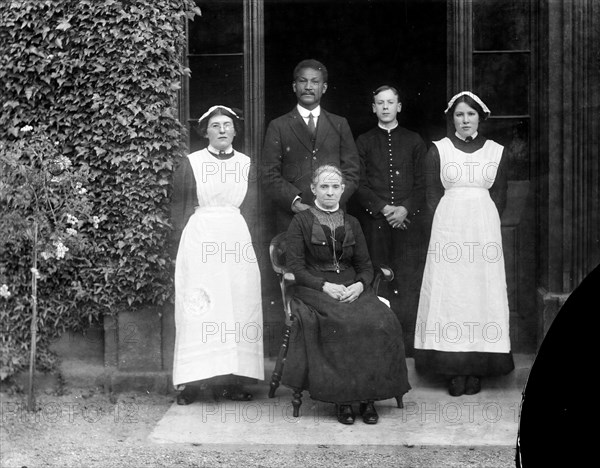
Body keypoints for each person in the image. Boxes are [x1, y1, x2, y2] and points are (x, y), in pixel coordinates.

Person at [281, 164, 410, 425]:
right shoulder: (301, 221)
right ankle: (343, 401)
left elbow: (364, 264)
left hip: (351, 285)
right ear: (313, 189)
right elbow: (295, 266)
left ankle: (368, 399)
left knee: (379, 320)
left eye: (335, 187)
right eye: (324, 187)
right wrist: (323, 286)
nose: (329, 192)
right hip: (315, 287)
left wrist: (360, 285)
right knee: (341, 323)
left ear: (342, 190)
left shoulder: (352, 222)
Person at [414, 91, 514, 396]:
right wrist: (449, 226)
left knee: (480, 293)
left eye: (470, 114)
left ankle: (478, 369)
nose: (465, 120)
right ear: (452, 118)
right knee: (451, 294)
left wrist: (480, 220)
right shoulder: (439, 150)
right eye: (459, 115)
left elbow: (500, 196)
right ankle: (453, 370)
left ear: (480, 118)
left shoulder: (496, 152)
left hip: (483, 230)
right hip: (450, 230)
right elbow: (432, 195)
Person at [170, 105, 264, 404]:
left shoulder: (247, 164)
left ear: (235, 130)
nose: (222, 130)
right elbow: (180, 209)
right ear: (205, 131)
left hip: (236, 239)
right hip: (201, 239)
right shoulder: (192, 163)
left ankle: (232, 381)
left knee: (237, 307)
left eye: (227, 124)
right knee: (201, 307)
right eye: (215, 125)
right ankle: (193, 383)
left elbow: (252, 211)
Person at [353, 85, 427, 352]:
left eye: (390, 102)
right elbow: (358, 183)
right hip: (376, 225)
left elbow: (423, 184)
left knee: (408, 280)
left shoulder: (414, 140)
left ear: (399, 106)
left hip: (409, 225)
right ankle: (381, 344)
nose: (385, 107)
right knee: (378, 279)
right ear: (373, 108)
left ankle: (408, 344)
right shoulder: (363, 141)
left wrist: (405, 209)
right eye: (380, 103)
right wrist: (384, 209)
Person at [261, 59, 360, 233]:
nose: (308, 86)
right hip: (291, 219)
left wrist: (331, 202)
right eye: (302, 81)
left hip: (333, 219)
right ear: (294, 86)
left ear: (324, 88)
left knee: (332, 261)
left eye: (315, 81)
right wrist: (296, 204)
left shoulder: (339, 124)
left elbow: (352, 171)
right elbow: (269, 174)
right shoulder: (278, 126)